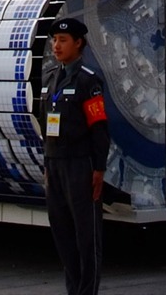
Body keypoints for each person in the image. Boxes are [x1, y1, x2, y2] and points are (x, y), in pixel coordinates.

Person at [38, 16, 109, 295]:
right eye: (54, 40)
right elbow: (46, 126)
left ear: (78, 43)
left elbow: (99, 127)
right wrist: (46, 163)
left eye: (63, 40)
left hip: (81, 165)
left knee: (86, 237)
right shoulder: (49, 79)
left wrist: (99, 168)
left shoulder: (88, 82)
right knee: (63, 234)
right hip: (55, 165)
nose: (56, 46)